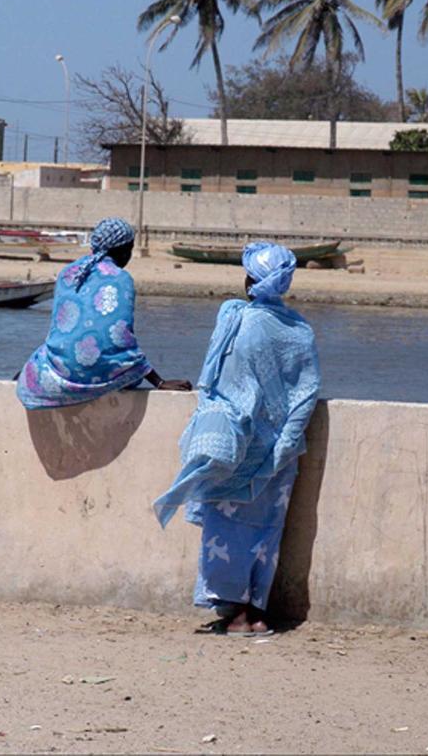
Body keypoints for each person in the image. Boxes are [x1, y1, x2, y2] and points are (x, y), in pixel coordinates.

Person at [153, 241, 320, 636]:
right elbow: (306, 392)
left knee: (228, 529)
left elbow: (227, 387)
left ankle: (237, 614)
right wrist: (283, 442)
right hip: (280, 452)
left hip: (240, 447)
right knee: (265, 531)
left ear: (250, 280)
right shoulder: (300, 331)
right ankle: (256, 611)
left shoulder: (239, 321)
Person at [16, 217, 191, 409]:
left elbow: (60, 332)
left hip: (61, 372)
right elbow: (120, 339)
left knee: (30, 366)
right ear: (124, 250)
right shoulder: (120, 278)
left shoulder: (69, 272)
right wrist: (158, 381)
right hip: (102, 375)